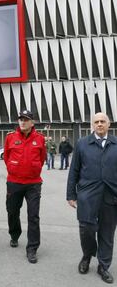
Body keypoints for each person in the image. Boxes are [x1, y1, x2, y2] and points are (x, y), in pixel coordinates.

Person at [67, 113, 117, 284]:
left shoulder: (116, 144)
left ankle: (103, 266)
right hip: (88, 195)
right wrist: (71, 195)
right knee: (86, 229)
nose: (100, 124)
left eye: (103, 121)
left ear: (109, 124)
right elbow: (74, 170)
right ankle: (87, 256)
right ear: (92, 125)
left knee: (107, 232)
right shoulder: (82, 144)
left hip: (111, 196)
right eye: (97, 122)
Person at [3, 110, 46, 264]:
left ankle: (32, 248)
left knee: (33, 216)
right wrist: (13, 168)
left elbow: (42, 159)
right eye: (20, 119)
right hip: (14, 182)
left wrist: (33, 169)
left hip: (33, 184)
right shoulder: (10, 138)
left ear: (32, 123)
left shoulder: (40, 139)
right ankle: (15, 234)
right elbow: (6, 157)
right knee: (12, 211)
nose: (22, 122)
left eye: (26, 120)